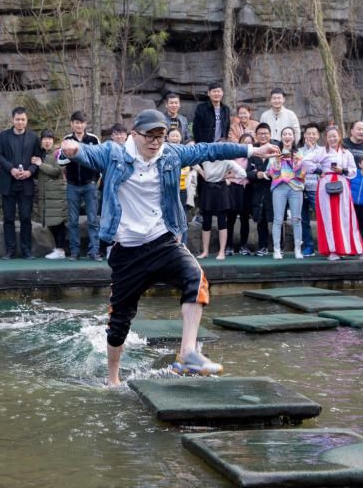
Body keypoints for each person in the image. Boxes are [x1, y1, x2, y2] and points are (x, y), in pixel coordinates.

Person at [59, 109, 279, 386]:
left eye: (160, 137)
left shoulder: (171, 155)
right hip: (127, 252)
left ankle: (187, 352)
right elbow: (85, 154)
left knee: (196, 278)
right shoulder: (114, 154)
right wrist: (72, 149)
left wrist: (252, 150)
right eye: (149, 136)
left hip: (162, 241)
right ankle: (112, 379)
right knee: (119, 324)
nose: (154, 142)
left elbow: (210, 150)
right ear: (134, 134)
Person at [315, 126, 363, 261]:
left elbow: (353, 170)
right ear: (326, 138)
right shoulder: (321, 152)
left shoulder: (346, 153)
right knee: (329, 217)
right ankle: (332, 250)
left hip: (342, 184)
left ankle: (358, 248)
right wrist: (318, 171)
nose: (332, 139)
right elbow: (305, 162)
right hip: (326, 186)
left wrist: (342, 170)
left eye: (335, 136)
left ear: (339, 137)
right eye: (329, 136)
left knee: (347, 217)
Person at [0, 107, 39, 259]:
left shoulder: (34, 137)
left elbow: (38, 158)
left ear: (26, 121)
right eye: (17, 119)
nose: (20, 122)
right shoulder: (4, 136)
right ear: (12, 120)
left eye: (23, 119)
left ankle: (27, 250)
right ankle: (10, 250)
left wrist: (30, 171)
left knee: (26, 218)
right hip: (8, 182)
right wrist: (11, 169)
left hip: (26, 183)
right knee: (8, 218)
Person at [196, 140, 246, 260]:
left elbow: (243, 173)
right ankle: (205, 251)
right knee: (206, 222)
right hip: (208, 189)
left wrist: (229, 176)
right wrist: (201, 172)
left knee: (222, 222)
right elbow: (192, 162)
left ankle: (221, 252)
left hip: (221, 190)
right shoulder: (205, 157)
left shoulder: (227, 160)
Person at [63, 111, 102, 261]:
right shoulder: (67, 139)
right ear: (72, 124)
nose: (79, 125)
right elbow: (62, 161)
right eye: (76, 122)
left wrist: (95, 179)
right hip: (72, 185)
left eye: (81, 122)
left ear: (85, 124)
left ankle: (94, 251)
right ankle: (74, 252)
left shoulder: (93, 139)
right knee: (72, 220)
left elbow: (99, 159)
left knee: (93, 219)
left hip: (89, 184)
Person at [267, 126, 305, 259]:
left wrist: (295, 161)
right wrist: (277, 162)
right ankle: (277, 249)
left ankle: (298, 249)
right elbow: (271, 173)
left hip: (295, 188)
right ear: (281, 137)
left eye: (290, 134)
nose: (287, 136)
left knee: (297, 219)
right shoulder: (276, 152)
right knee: (277, 220)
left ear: (293, 137)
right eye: (285, 134)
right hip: (279, 187)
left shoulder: (299, 153)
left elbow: (301, 174)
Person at [35, 130, 68, 260]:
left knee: (58, 223)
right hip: (47, 194)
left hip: (57, 194)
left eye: (50, 139)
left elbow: (57, 171)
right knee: (51, 222)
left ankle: (60, 250)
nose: (47, 141)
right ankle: (58, 249)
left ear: (53, 140)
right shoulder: (42, 154)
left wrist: (40, 165)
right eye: (45, 139)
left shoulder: (58, 153)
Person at [248, 123, 274, 256]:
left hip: (274, 189)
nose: (263, 136)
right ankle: (263, 246)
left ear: (270, 135)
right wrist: (256, 174)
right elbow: (246, 171)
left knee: (277, 218)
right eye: (260, 134)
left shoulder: (276, 149)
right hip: (257, 189)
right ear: (256, 136)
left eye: (265, 133)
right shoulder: (252, 151)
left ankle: (278, 246)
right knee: (260, 219)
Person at [298, 123, 324, 257]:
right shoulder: (298, 151)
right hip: (300, 189)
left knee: (322, 217)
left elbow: (320, 165)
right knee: (303, 219)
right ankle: (308, 246)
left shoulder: (323, 150)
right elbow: (299, 164)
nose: (311, 136)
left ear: (318, 136)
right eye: (309, 133)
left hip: (317, 188)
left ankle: (325, 246)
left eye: (314, 134)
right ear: (304, 135)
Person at [223, 131, 249, 256]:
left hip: (247, 189)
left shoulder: (253, 158)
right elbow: (226, 173)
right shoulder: (233, 157)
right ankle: (229, 245)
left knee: (245, 218)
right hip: (233, 188)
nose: (248, 145)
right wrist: (233, 177)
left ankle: (244, 245)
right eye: (245, 143)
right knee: (231, 218)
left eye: (250, 143)